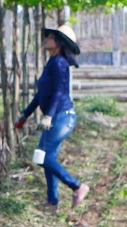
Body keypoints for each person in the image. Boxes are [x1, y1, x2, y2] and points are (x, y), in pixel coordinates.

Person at [16, 23, 91, 209]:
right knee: (47, 158)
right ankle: (52, 202)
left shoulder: (59, 63)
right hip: (57, 117)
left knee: (42, 157)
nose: (46, 39)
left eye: (49, 37)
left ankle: (78, 186)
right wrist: (25, 114)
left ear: (58, 42)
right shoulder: (52, 62)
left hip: (62, 117)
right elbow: (41, 95)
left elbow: (59, 92)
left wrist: (48, 116)